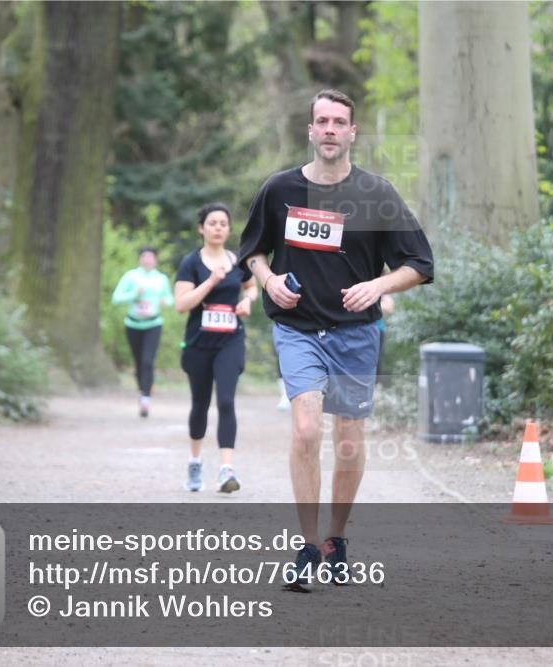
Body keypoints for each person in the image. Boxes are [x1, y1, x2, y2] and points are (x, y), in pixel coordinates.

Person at [238, 89, 434, 591]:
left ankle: (336, 540)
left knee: (348, 442)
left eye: (338, 121)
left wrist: (378, 284)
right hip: (298, 328)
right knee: (305, 430)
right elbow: (253, 252)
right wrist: (269, 281)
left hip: (355, 334)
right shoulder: (279, 189)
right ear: (310, 130)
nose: (329, 128)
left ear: (352, 132)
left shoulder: (376, 193)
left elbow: (419, 264)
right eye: (321, 120)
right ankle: (306, 547)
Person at [174, 203, 257, 493]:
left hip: (230, 340)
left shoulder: (239, 261)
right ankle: (195, 462)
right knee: (200, 403)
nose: (218, 228)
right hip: (199, 343)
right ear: (202, 228)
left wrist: (248, 301)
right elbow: (181, 304)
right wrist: (210, 281)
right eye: (212, 223)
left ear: (229, 229)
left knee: (226, 401)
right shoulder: (191, 263)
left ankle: (226, 470)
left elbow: (250, 286)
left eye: (223, 223)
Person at [112, 246, 174, 418]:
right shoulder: (131, 276)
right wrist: (134, 294)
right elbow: (116, 298)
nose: (147, 260)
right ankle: (142, 389)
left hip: (153, 324)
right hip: (133, 324)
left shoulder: (161, 279)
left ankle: (146, 398)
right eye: (144, 257)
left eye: (151, 257)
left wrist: (164, 301)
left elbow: (170, 299)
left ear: (155, 260)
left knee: (148, 360)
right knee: (139, 361)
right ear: (140, 259)